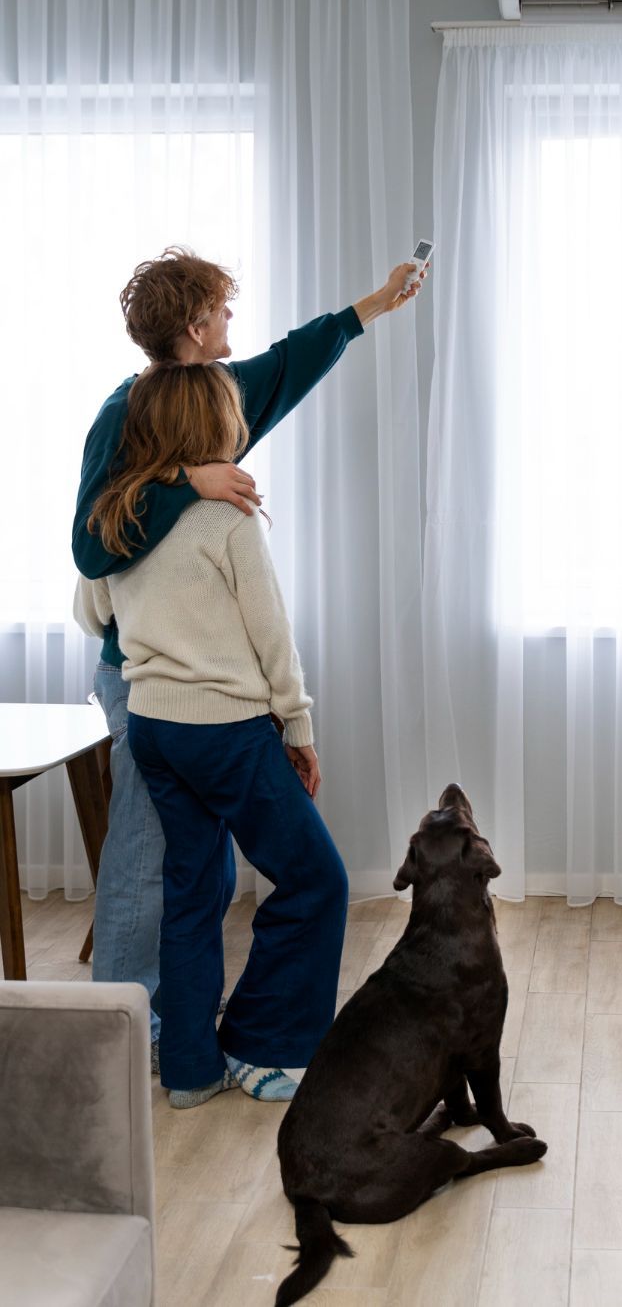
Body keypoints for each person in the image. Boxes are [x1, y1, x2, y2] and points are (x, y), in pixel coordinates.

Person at [72, 247, 425, 1065]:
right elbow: (94, 548)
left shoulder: (219, 397)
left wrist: (371, 305)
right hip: (149, 676)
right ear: (195, 326)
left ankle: (185, 1044)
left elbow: (290, 361)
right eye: (224, 309)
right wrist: (187, 483)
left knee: (197, 880)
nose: (234, 320)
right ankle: (122, 1036)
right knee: (148, 862)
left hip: (204, 682)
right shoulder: (126, 414)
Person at [75, 359, 346, 1107]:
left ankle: (190, 1069)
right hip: (226, 731)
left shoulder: (118, 516)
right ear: (213, 428)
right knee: (316, 878)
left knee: (194, 893)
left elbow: (91, 614)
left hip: (156, 728)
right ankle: (266, 1048)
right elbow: (272, 637)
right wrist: (298, 725)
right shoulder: (227, 519)